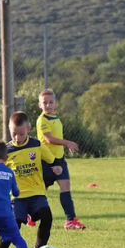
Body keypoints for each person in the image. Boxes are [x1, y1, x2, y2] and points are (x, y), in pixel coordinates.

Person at [0, 112, 62, 248]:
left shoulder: (36, 145)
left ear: (28, 129)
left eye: (21, 134)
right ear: (9, 129)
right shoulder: (6, 151)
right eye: (13, 133)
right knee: (12, 227)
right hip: (17, 197)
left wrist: (56, 167)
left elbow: (52, 160)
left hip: (37, 193)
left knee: (47, 217)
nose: (17, 137)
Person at [36, 89, 87, 230]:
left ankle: (70, 220)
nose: (48, 105)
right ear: (40, 105)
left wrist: (64, 148)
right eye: (44, 103)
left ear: (55, 103)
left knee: (65, 185)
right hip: (46, 161)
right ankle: (30, 215)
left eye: (50, 102)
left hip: (59, 159)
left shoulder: (55, 118)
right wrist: (67, 143)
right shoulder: (42, 120)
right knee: (40, 191)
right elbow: (49, 139)